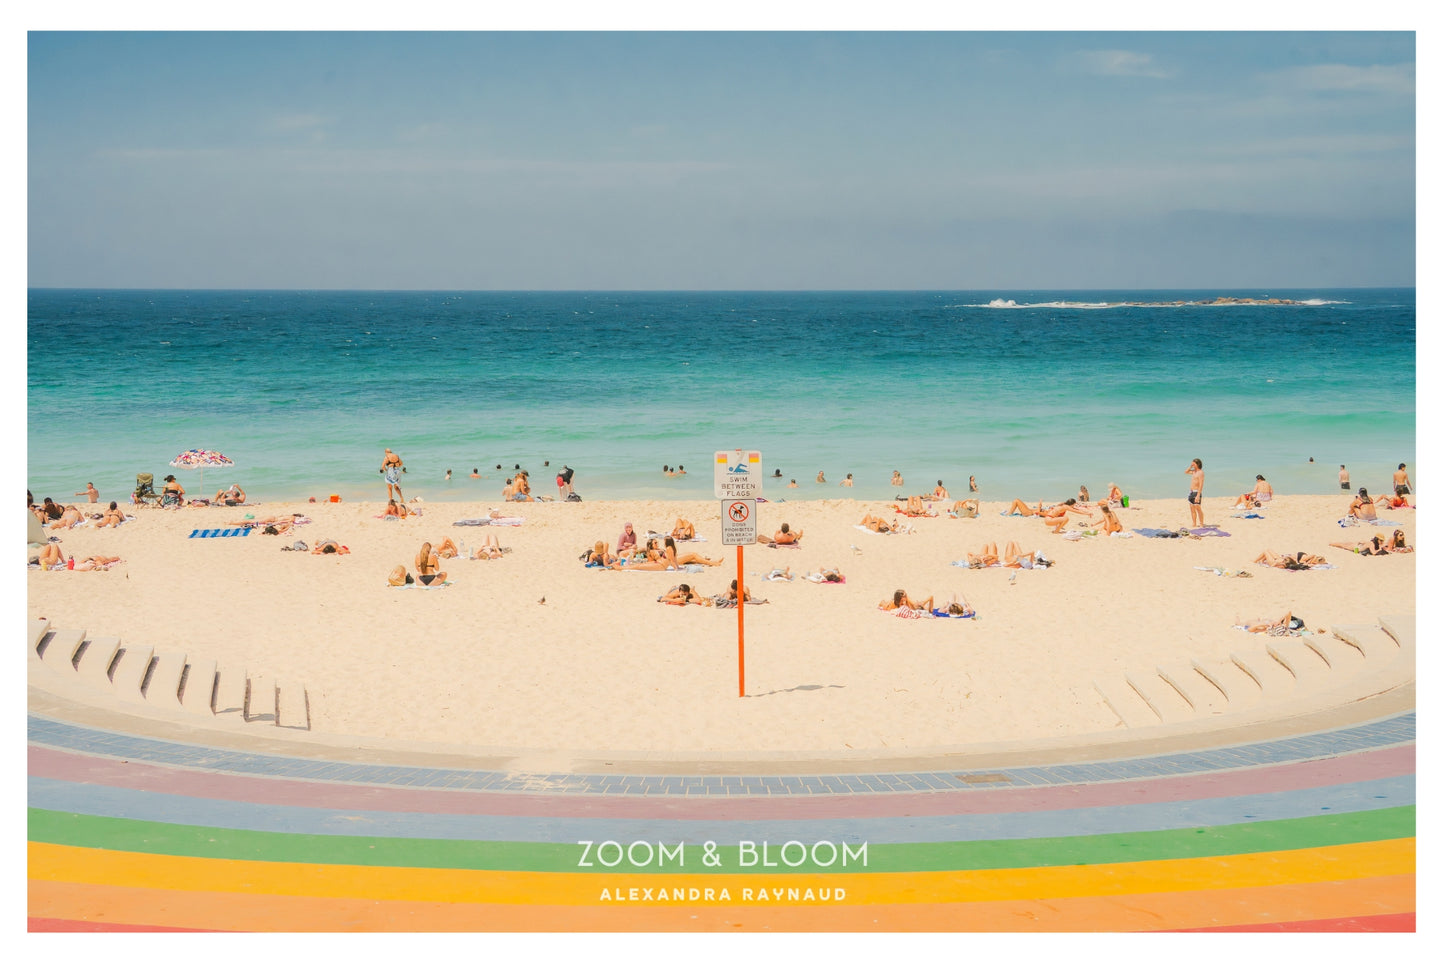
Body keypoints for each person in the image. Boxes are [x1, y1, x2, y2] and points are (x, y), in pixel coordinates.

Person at [1185, 458, 1205, 528]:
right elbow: (1186, 472)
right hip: (1191, 492)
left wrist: (1198, 495)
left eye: (1194, 463)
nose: (1193, 464)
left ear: (1198, 464)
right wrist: (1190, 466)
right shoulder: (1194, 472)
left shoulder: (1200, 473)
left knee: (1198, 508)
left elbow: (1201, 484)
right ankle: (1194, 523)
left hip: (1196, 492)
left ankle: (1201, 524)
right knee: (1192, 509)